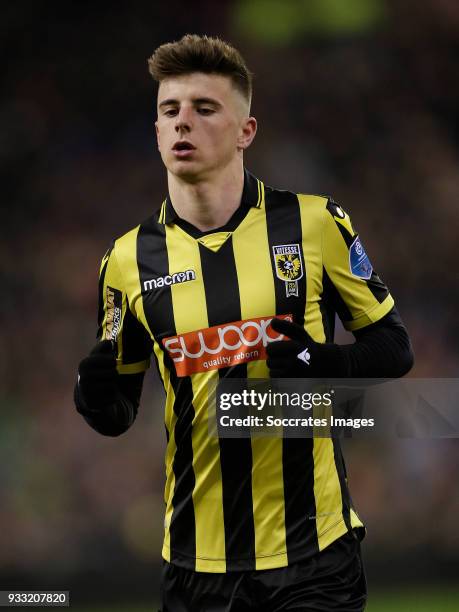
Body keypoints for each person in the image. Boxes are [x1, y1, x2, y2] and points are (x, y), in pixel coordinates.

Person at [74, 34, 414, 612]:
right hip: (195, 565)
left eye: (205, 109)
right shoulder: (125, 263)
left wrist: (318, 362)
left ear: (244, 131)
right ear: (156, 132)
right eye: (169, 111)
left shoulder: (314, 223)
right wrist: (91, 396)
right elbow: (118, 411)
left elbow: (393, 347)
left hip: (316, 555)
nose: (183, 122)